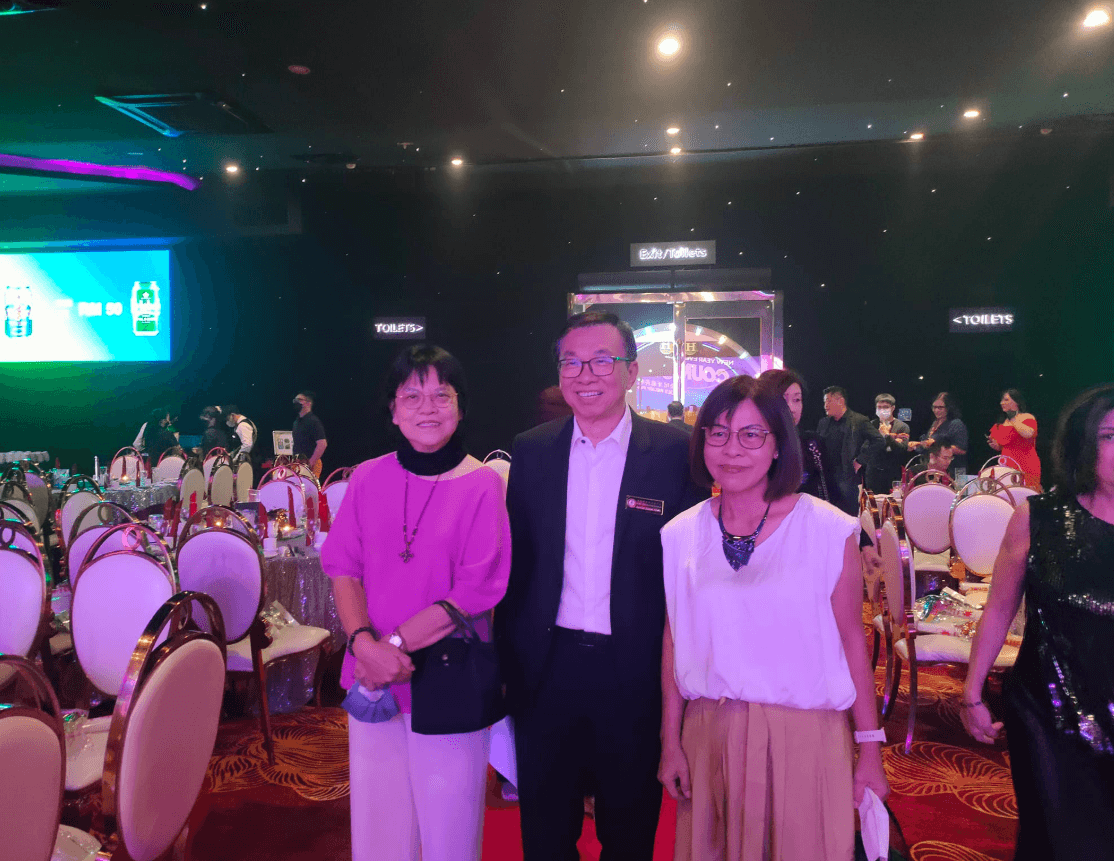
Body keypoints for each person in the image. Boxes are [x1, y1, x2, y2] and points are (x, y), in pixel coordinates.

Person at [496, 310, 705, 859]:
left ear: (632, 371)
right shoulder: (532, 449)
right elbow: (519, 564)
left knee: (629, 832)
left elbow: (690, 570)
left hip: (634, 669)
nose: (584, 375)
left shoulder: (674, 453)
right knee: (545, 833)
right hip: (547, 667)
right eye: (571, 362)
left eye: (601, 361)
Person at [659, 375, 889, 860]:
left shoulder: (827, 530)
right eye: (718, 433)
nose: (732, 449)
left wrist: (870, 746)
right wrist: (670, 741)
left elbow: (852, 641)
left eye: (751, 434)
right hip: (709, 732)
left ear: (779, 444)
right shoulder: (681, 534)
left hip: (806, 734)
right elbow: (675, 639)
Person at [321, 344, 510, 861]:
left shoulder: (482, 484)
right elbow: (342, 567)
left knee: (449, 829)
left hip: (447, 674)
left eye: (441, 396)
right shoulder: (367, 476)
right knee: (379, 823)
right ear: (393, 410)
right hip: (372, 675)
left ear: (460, 407)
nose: (427, 408)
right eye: (412, 396)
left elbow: (475, 589)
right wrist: (364, 646)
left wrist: (392, 647)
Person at [962, 384, 1114, 860]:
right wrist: (972, 692)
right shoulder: (1037, 517)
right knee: (1057, 840)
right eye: (1110, 435)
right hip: (1048, 709)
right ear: (1083, 443)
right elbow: (999, 608)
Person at [759, 368, 831, 502]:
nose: (791, 408)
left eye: (797, 399)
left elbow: (830, 491)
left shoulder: (811, 444)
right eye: (783, 399)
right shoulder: (750, 447)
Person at [816, 386, 883, 514]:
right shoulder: (823, 423)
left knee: (848, 515)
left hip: (846, 477)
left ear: (840, 401)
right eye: (825, 402)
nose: (825, 405)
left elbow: (878, 440)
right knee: (826, 515)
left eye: (828, 401)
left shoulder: (858, 420)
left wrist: (860, 460)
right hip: (825, 478)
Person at [988, 388, 1041, 485]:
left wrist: (1013, 418)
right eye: (1002, 400)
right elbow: (1001, 446)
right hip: (1007, 465)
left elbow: (1028, 434)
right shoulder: (1001, 423)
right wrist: (995, 445)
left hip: (1026, 464)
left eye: (1006, 400)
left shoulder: (1027, 417)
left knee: (1026, 491)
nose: (1002, 403)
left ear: (1017, 402)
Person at [909, 391, 968, 477]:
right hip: (934, 469)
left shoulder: (956, 424)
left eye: (940, 408)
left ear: (948, 408)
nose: (936, 410)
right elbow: (929, 444)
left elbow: (962, 450)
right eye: (934, 407)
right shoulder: (935, 423)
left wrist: (938, 448)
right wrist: (917, 446)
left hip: (953, 470)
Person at [866, 393, 910, 493]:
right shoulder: (871, 425)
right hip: (873, 471)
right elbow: (866, 447)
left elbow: (902, 449)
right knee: (872, 501)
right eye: (879, 407)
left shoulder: (902, 427)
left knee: (893, 500)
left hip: (892, 472)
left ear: (893, 408)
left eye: (885, 407)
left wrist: (887, 436)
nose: (882, 410)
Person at [292, 390, 328, 477]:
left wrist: (311, 463)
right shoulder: (296, 422)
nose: (296, 402)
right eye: (295, 400)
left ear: (308, 403)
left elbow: (322, 444)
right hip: (298, 464)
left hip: (310, 465)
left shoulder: (313, 421)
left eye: (299, 400)